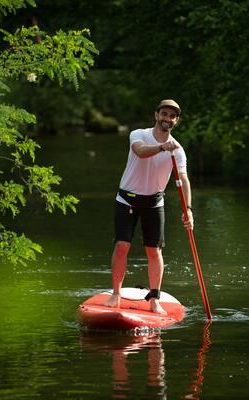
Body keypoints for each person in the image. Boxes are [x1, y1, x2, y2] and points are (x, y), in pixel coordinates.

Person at [103, 99, 194, 314]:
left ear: (176, 120)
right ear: (156, 115)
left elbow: (184, 179)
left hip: (154, 202)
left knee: (154, 251)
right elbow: (140, 152)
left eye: (172, 116)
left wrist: (188, 209)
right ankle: (116, 295)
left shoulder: (178, 150)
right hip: (127, 199)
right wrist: (163, 147)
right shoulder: (139, 134)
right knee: (122, 246)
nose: (167, 119)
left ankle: (154, 299)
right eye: (164, 114)